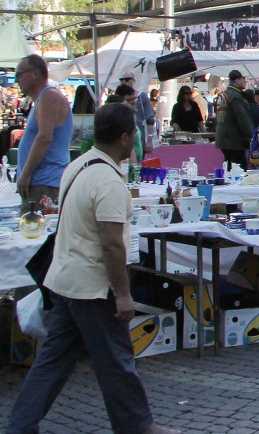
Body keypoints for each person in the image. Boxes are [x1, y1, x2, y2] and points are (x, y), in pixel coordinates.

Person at [6, 103, 179, 434]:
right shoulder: (109, 181)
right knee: (115, 361)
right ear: (124, 137)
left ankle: (20, 425)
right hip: (91, 286)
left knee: (53, 361)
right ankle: (137, 426)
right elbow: (111, 243)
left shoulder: (78, 166)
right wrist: (124, 294)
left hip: (64, 279)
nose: (136, 140)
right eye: (135, 134)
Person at [14, 55, 72, 212]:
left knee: (36, 234)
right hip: (40, 183)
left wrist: (26, 173)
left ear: (35, 73)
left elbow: (44, 138)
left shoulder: (49, 97)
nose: (16, 79)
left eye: (19, 74)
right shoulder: (43, 98)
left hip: (45, 184)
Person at [214, 70, 255, 169]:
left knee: (228, 167)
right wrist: (251, 136)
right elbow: (242, 119)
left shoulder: (223, 95)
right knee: (238, 169)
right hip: (235, 139)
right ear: (237, 80)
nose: (245, 82)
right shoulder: (236, 96)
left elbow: (219, 116)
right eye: (243, 79)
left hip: (222, 137)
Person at [118, 71, 154, 155]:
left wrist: (149, 140)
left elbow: (150, 120)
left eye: (126, 79)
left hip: (139, 138)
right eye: (121, 80)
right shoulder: (117, 96)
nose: (123, 82)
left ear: (133, 80)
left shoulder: (141, 96)